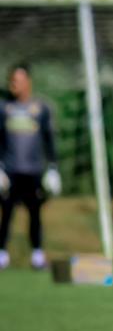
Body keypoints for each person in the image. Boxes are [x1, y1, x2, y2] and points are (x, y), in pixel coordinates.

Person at [0, 63, 61, 270]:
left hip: (34, 171)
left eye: (17, 80)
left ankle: (37, 254)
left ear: (28, 82)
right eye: (11, 80)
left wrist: (53, 168)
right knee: (6, 212)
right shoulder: (3, 108)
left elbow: (49, 139)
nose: (13, 84)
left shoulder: (41, 108)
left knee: (35, 213)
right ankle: (2, 254)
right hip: (9, 171)